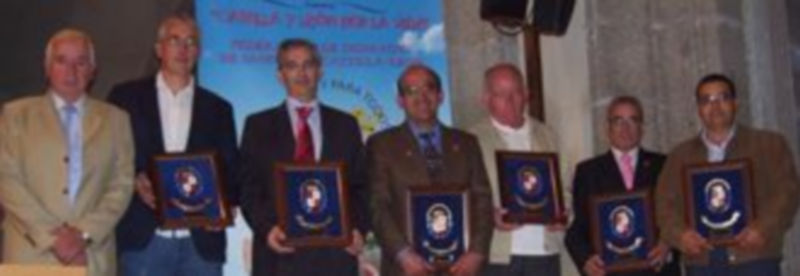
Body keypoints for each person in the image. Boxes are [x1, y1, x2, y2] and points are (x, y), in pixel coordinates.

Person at [107, 13, 239, 276]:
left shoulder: (219, 108)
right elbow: (105, 159)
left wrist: (227, 206)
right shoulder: (125, 98)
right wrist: (134, 180)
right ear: (159, 49)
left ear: (198, 52)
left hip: (201, 242)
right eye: (175, 40)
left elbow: (232, 169)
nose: (183, 48)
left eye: (191, 41)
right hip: (144, 238)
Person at [0, 28, 134, 276]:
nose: (71, 71)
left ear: (93, 70)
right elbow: (6, 181)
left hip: (90, 257)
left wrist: (82, 235)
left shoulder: (117, 120)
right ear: (47, 67)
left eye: (81, 62)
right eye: (61, 60)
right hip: (30, 255)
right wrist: (55, 239)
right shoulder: (15, 116)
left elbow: (121, 185)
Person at [239, 38, 369, 276]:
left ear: (319, 71)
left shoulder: (346, 125)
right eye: (291, 65)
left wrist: (358, 228)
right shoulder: (257, 126)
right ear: (280, 75)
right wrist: (267, 229)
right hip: (279, 256)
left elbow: (361, 186)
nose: (301, 73)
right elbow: (248, 188)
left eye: (308, 64)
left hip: (336, 256)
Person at [656, 74, 800, 275]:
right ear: (698, 108)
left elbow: (787, 193)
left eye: (722, 98)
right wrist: (680, 236)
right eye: (706, 100)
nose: (715, 107)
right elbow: (664, 204)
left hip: (755, 255)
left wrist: (763, 228)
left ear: (735, 103)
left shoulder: (769, 145)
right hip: (703, 261)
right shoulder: (680, 156)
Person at [367, 64, 493, 276]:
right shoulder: (381, 145)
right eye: (412, 91)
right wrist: (403, 254)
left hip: (462, 267)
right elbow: (378, 206)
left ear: (440, 95)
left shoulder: (467, 143)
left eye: (429, 88)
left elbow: (483, 200)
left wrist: (477, 253)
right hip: (406, 269)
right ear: (400, 101)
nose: (422, 97)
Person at [467, 63, 565, 276]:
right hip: (498, 253)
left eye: (516, 92)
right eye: (500, 94)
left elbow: (565, 187)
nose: (510, 100)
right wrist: (489, 216)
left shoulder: (547, 135)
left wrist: (564, 213)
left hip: (545, 251)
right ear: (485, 100)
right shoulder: (471, 139)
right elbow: (464, 198)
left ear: (527, 95)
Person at [565, 96, 680, 276]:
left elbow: (680, 216)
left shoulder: (664, 166)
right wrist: (586, 259)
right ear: (607, 128)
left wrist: (668, 244)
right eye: (618, 121)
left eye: (632, 120)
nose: (625, 128)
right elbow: (577, 228)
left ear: (642, 127)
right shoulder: (587, 172)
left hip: (657, 270)